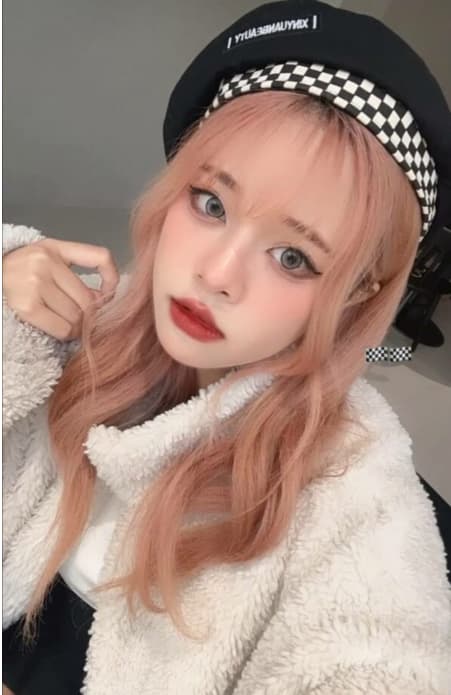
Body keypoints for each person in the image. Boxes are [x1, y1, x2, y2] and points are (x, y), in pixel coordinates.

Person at [3, 1, 451, 693]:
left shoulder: (355, 490)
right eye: (211, 203)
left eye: (294, 257)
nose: (216, 274)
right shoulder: (68, 321)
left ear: (357, 293)